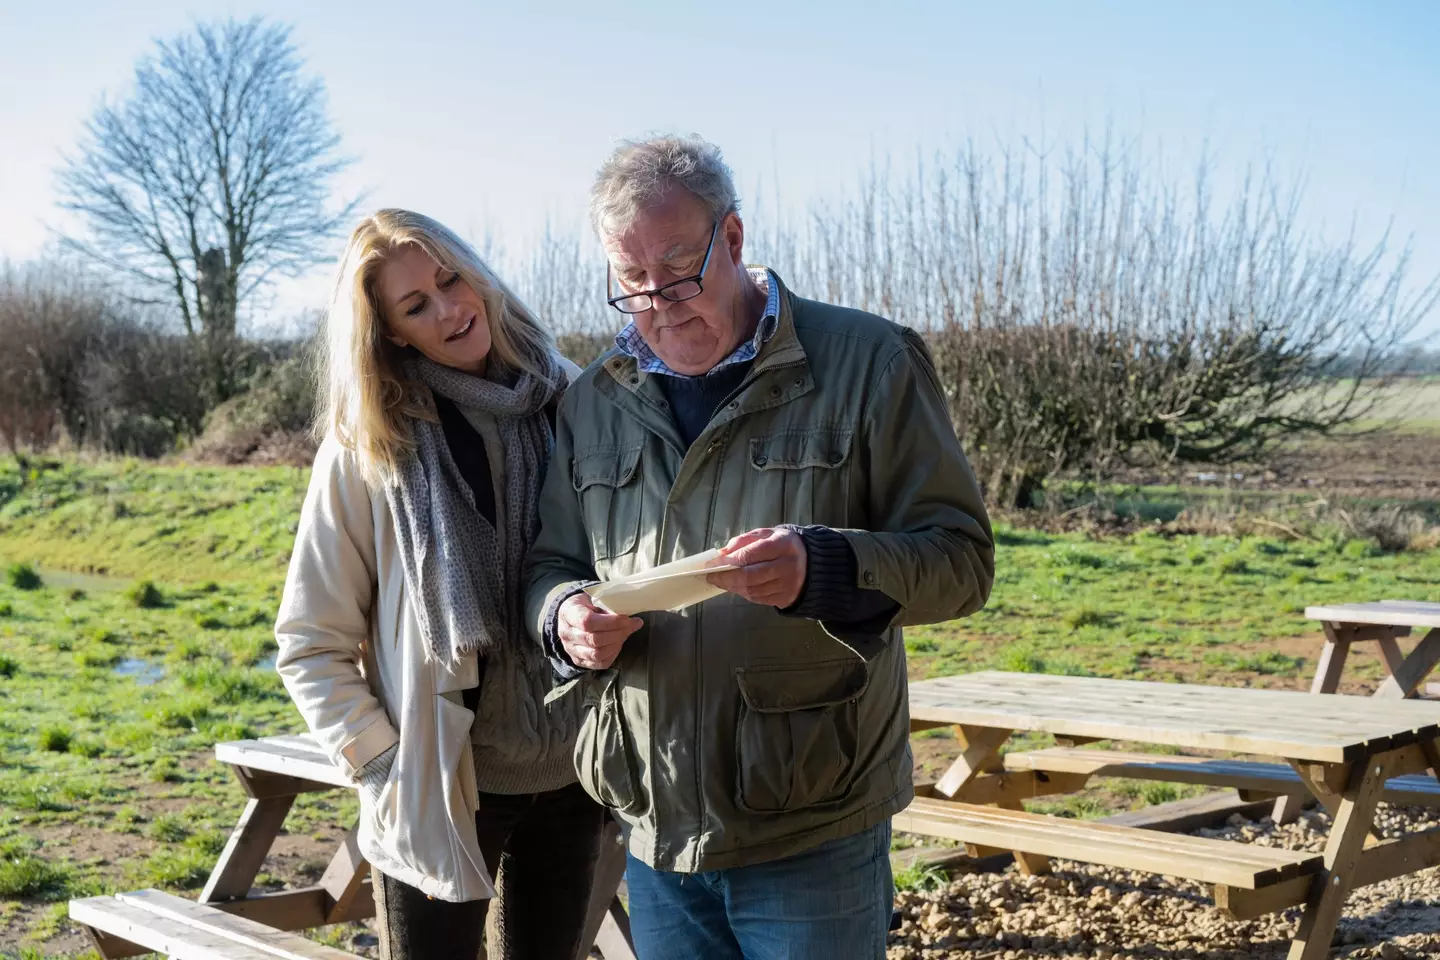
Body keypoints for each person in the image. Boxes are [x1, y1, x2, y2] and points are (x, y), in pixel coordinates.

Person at [525, 137, 995, 959]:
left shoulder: (870, 361)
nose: (659, 304)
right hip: (653, 824)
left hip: (810, 823)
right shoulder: (595, 400)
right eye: (630, 283)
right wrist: (564, 619)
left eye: (678, 271)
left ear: (733, 241)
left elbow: (960, 561)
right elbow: (549, 567)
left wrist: (828, 567)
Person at [275, 209, 608, 960]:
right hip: (441, 788)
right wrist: (383, 765)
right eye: (416, 305)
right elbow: (309, 638)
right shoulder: (372, 445)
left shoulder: (578, 403)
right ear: (390, 332)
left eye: (450, 280)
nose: (450, 310)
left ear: (474, 271)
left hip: (573, 772)